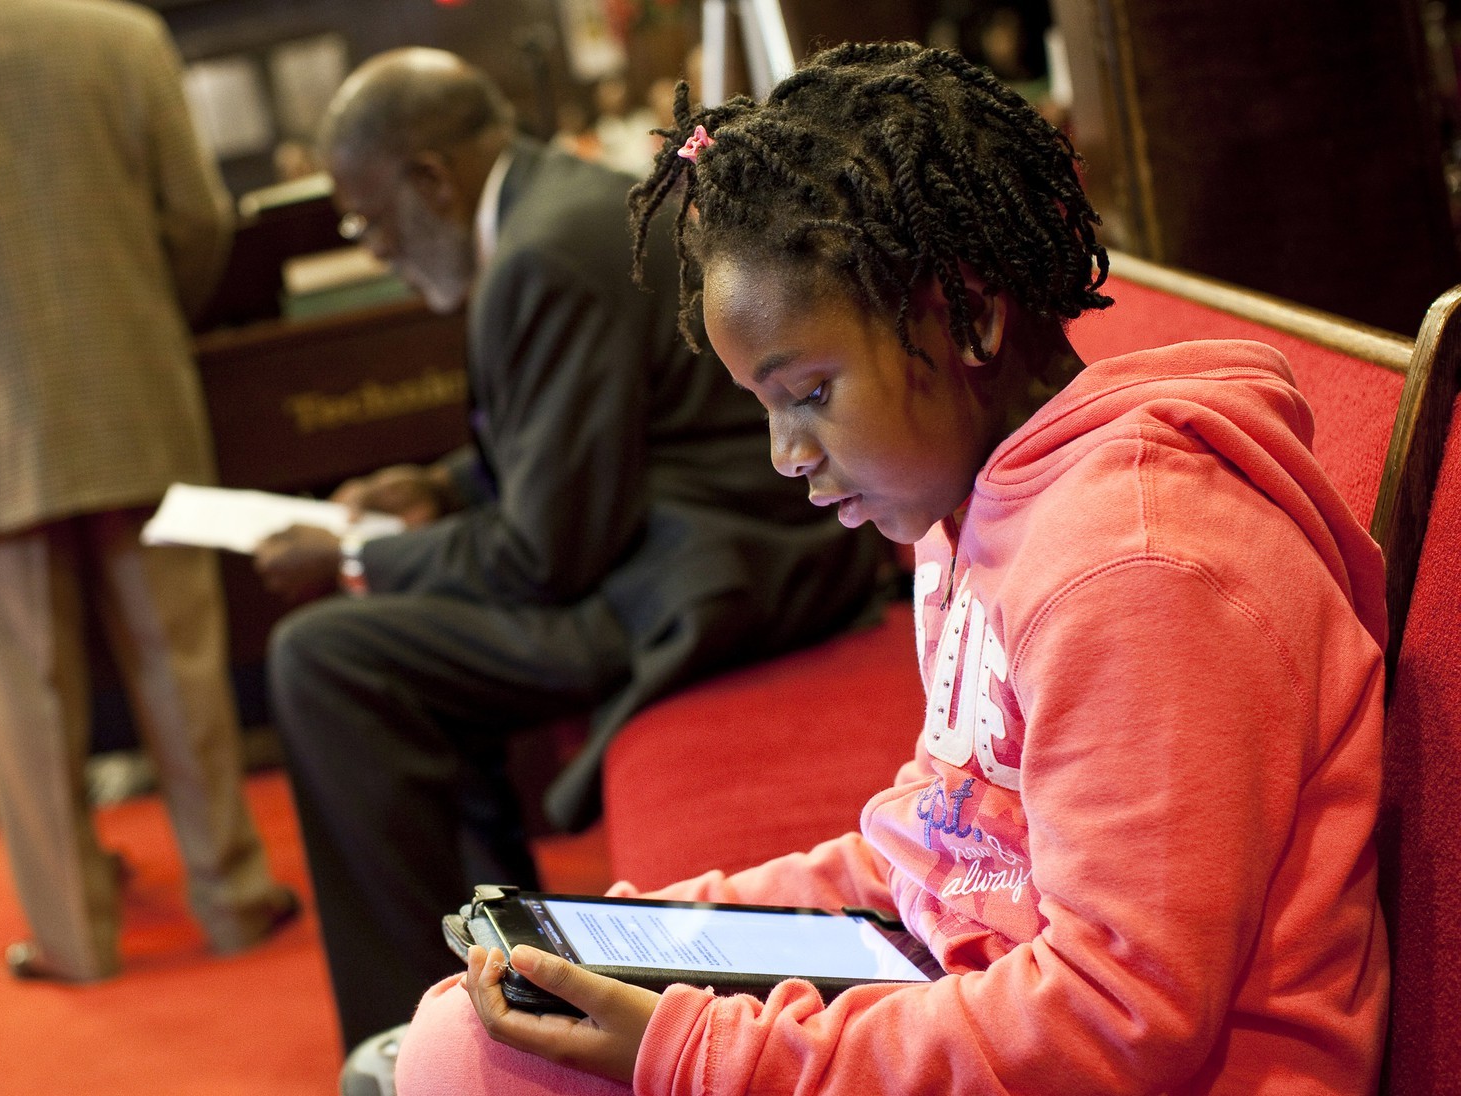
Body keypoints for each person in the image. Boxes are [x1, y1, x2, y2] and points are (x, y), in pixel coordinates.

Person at [395, 43, 1389, 1095]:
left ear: (965, 315)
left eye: (809, 393)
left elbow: (1118, 1015)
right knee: (481, 1031)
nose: (785, 452)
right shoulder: (966, 507)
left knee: (477, 1061)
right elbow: (942, 845)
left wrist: (697, 1048)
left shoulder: (1135, 571)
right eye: (764, 406)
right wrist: (669, 929)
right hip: (986, 990)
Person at [253, 48, 883, 1053]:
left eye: (366, 220)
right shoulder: (566, 202)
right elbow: (581, 444)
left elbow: (542, 553)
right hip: (713, 547)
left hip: (709, 581)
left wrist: (355, 556)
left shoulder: (541, 254)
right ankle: (479, 970)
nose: (369, 248)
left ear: (427, 180)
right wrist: (440, 488)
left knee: (327, 656)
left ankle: (402, 1034)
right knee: (367, 654)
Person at [0, 0, 298, 983]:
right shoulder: (120, 35)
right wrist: (144, 310)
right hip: (131, 386)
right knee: (182, 665)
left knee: (25, 697)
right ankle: (232, 897)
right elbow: (201, 220)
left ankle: (74, 937)